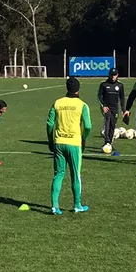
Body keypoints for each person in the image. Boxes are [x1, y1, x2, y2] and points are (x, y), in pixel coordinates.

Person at [46, 77, 91, 215]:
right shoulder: (82, 105)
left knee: (58, 174)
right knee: (75, 175)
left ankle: (54, 206)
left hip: (59, 143)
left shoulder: (57, 103)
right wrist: (83, 139)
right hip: (74, 144)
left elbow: (49, 124)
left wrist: (50, 140)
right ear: (78, 89)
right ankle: (77, 205)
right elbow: (88, 126)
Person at [97, 68, 125, 149]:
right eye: (112, 75)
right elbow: (99, 96)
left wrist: (123, 109)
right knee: (107, 122)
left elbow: (122, 98)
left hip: (115, 108)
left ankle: (110, 143)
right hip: (106, 107)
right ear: (109, 75)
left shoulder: (120, 85)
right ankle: (107, 141)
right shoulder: (103, 84)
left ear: (117, 75)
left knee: (113, 125)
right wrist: (103, 106)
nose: (113, 77)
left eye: (115, 75)